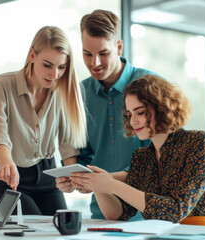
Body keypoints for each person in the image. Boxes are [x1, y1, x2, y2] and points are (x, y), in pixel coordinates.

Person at [70, 75, 205, 226]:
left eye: (140, 112)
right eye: (129, 114)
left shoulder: (199, 142)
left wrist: (112, 185)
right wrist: (99, 186)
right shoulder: (141, 157)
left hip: (199, 234)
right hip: (156, 233)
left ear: (162, 108)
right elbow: (119, 214)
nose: (132, 121)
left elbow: (176, 211)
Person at [56, 9, 157, 219]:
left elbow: (164, 154)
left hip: (149, 213)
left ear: (119, 47)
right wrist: (75, 177)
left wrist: (107, 180)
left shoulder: (151, 86)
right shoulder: (80, 94)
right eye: (87, 54)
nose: (95, 63)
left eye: (103, 53)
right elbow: (84, 154)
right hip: (102, 214)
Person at [0, 26, 87, 215]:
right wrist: (6, 162)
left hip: (48, 176)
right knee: (32, 234)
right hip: (9, 178)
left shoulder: (62, 92)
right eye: (47, 65)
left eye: (61, 67)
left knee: (62, 231)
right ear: (32, 55)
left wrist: (71, 177)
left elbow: (67, 143)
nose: (54, 74)